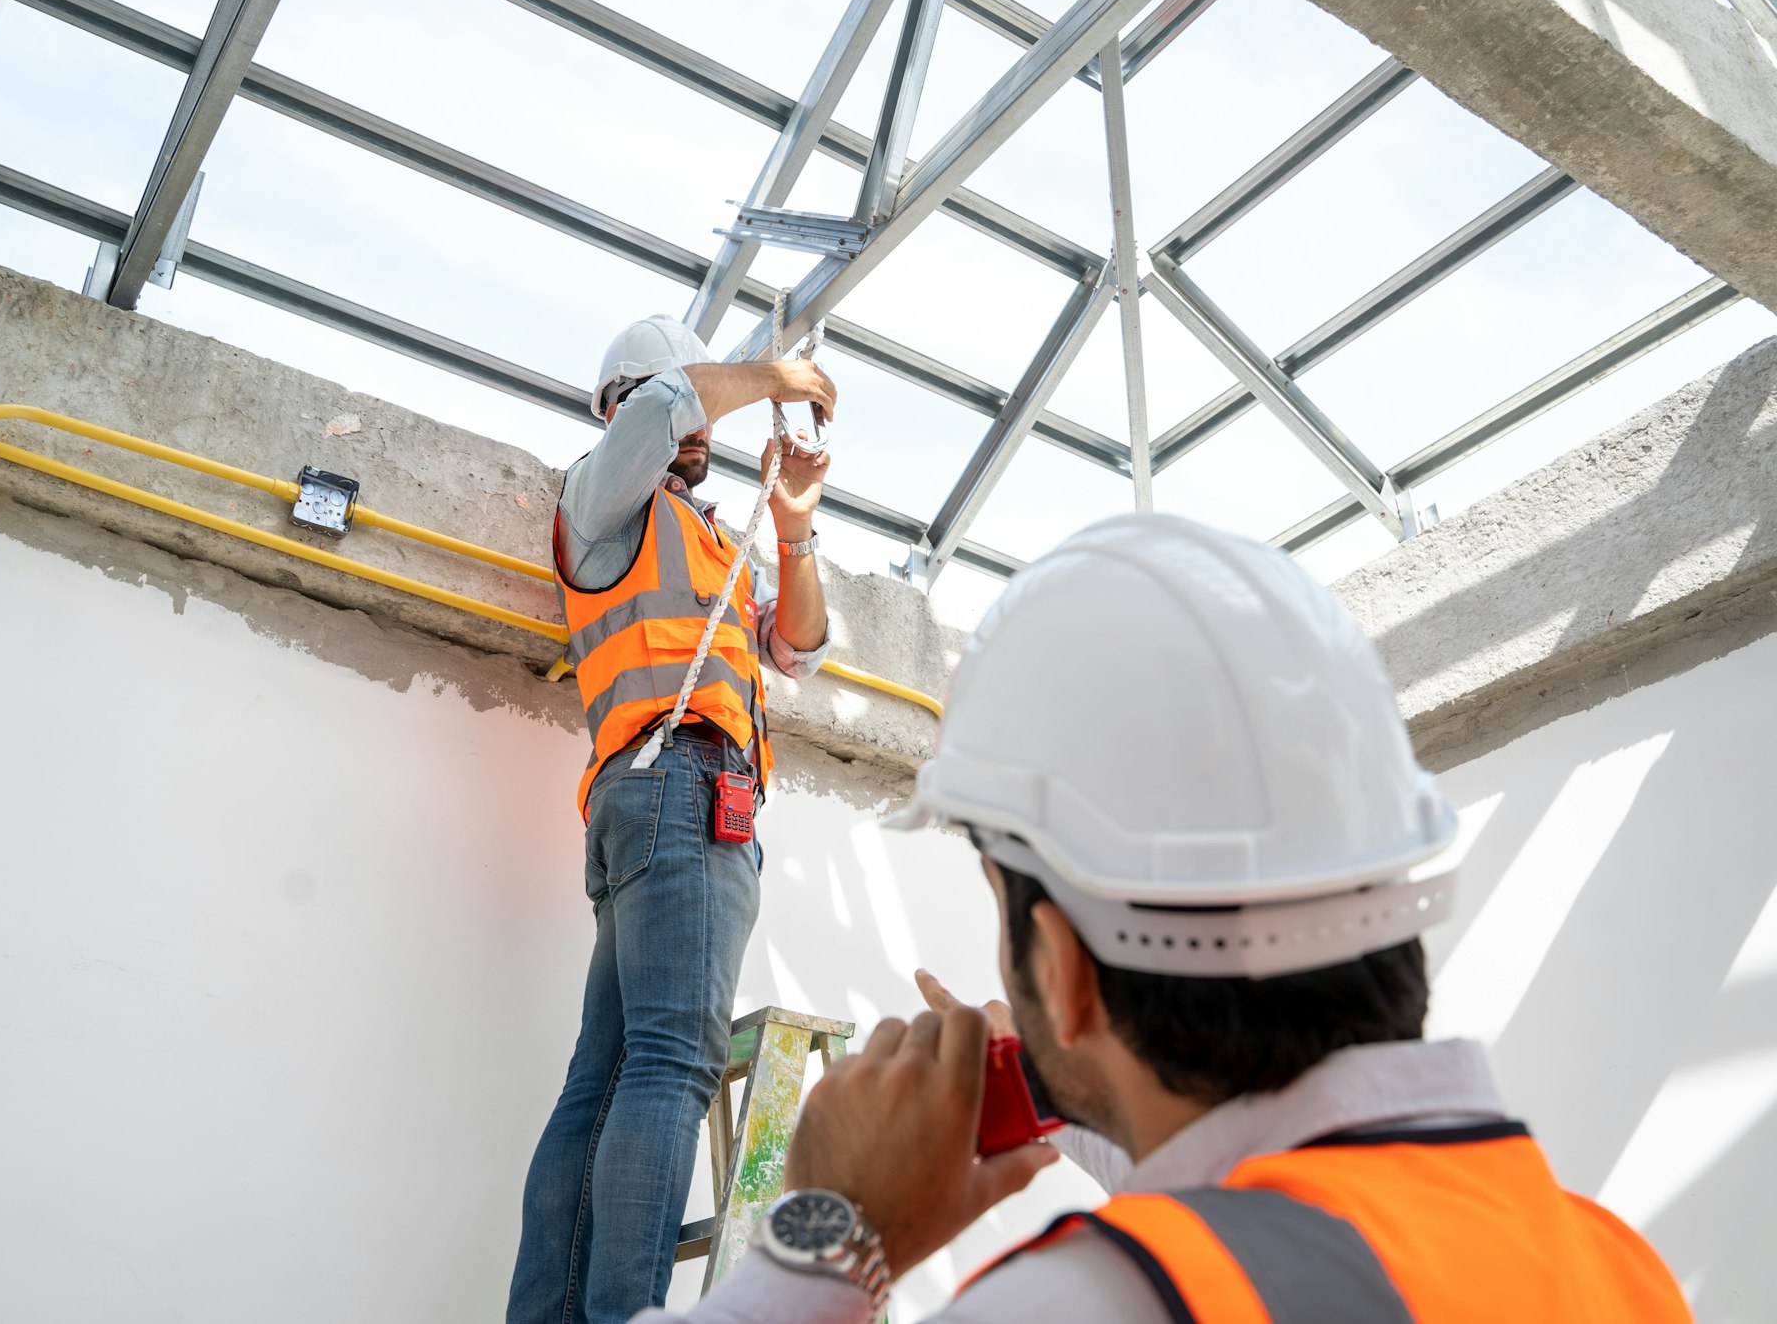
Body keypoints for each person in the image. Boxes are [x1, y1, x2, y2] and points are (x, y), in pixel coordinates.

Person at [635, 514, 1692, 1323]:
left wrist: (827, 1241)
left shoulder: (1099, 1300)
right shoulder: (1614, 1267)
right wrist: (1085, 1095)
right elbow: (1284, 1189)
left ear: (1061, 965)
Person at [509, 314, 840, 1323]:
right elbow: (665, 408)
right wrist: (761, 370)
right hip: (680, 790)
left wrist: (790, 527)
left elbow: (803, 648)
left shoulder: (698, 537)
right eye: (673, 394)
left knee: (605, 1076)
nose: (699, 422)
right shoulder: (603, 493)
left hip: (653, 801)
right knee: (671, 1063)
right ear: (613, 407)